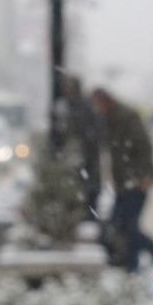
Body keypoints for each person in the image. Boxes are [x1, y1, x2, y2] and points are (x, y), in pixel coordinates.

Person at [90, 87, 153, 272]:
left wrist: (144, 176)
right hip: (124, 182)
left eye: (97, 104)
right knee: (121, 223)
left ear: (105, 101)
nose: (96, 109)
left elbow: (143, 145)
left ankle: (149, 254)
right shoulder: (108, 118)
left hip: (136, 181)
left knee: (128, 225)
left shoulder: (126, 116)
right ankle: (131, 259)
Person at [62, 75, 101, 218]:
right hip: (86, 173)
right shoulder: (77, 107)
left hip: (86, 172)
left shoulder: (81, 109)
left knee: (87, 214)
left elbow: (87, 141)